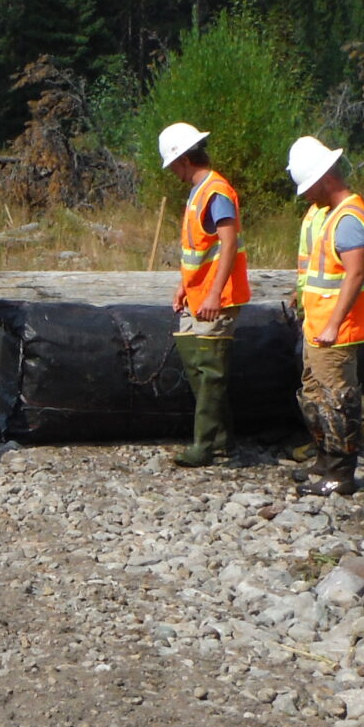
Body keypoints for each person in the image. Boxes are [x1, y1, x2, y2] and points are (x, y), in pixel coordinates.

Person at [288, 136, 364, 495]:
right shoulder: (329, 216)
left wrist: (332, 324)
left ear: (327, 178)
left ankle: (341, 474)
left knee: (338, 397)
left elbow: (355, 275)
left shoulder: (348, 219)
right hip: (319, 326)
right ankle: (326, 459)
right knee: (315, 391)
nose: (308, 195)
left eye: (310, 187)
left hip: (336, 330)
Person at [162, 121, 248, 468]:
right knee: (198, 367)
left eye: (174, 166)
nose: (174, 173)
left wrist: (213, 294)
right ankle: (221, 440)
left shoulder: (216, 193)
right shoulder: (200, 193)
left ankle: (205, 446)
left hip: (218, 298)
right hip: (199, 296)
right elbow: (201, 249)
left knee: (211, 372)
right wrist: (185, 285)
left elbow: (228, 244)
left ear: (184, 159)